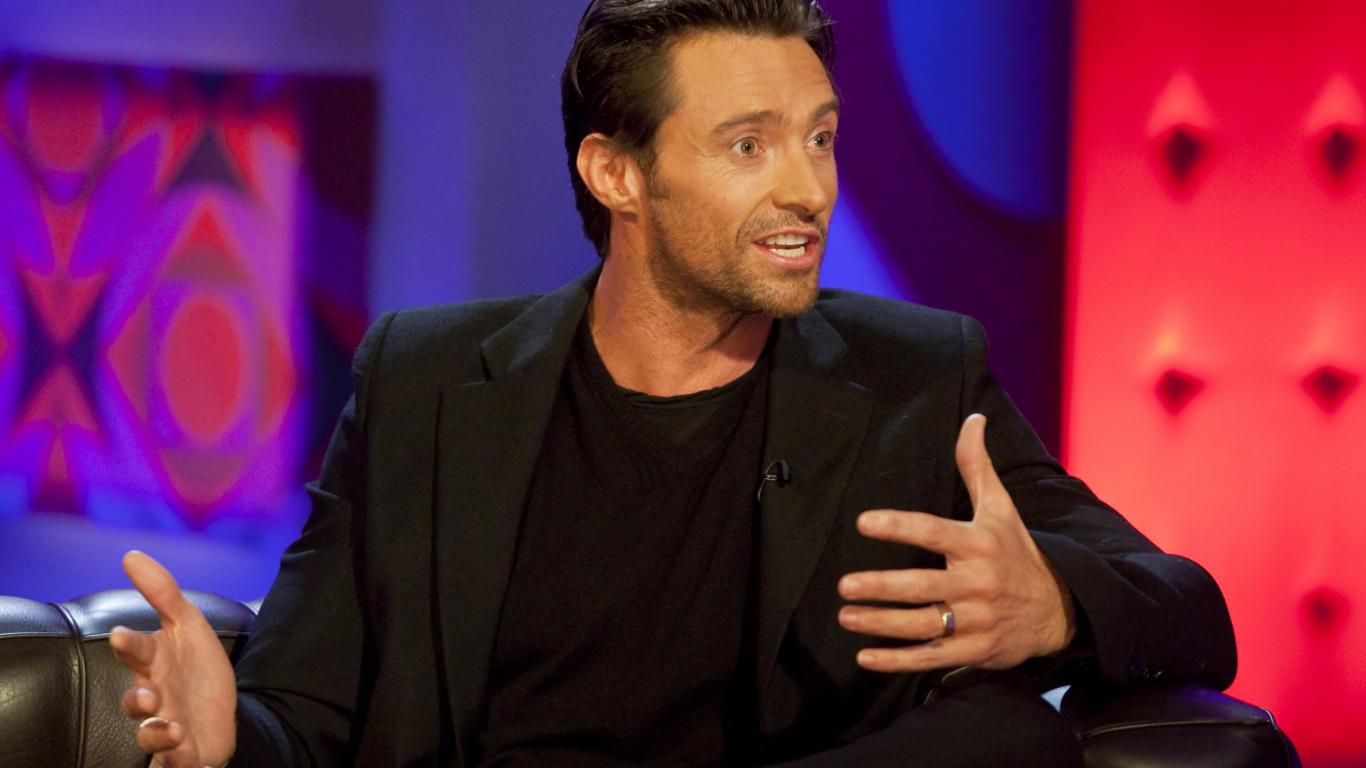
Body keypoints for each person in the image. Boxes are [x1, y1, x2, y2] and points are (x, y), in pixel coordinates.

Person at [110, 1, 1237, 766]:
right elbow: (307, 708)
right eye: (749, 146)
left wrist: (1056, 603)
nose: (808, 189)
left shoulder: (916, 379)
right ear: (617, 174)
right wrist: (229, 739)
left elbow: (1192, 610)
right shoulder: (425, 381)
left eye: (820, 138)